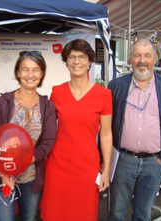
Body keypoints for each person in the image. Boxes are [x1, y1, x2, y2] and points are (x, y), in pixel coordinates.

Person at [108, 38, 161, 221]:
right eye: (137, 55)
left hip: (154, 163)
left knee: (143, 215)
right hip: (122, 161)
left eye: (147, 55)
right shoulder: (116, 86)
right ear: (130, 59)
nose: (142, 60)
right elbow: (107, 126)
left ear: (155, 58)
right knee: (116, 213)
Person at [41, 39, 113, 221]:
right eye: (72, 57)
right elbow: (47, 129)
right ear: (66, 62)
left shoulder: (104, 95)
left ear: (90, 61)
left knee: (84, 214)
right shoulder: (56, 92)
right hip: (58, 165)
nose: (76, 61)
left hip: (87, 167)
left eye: (82, 57)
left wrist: (106, 171)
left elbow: (105, 134)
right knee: (55, 214)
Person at [0, 51, 56, 221]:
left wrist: (26, 160)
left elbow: (48, 141)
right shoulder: (3, 103)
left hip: (31, 178)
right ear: (17, 73)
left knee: (29, 219)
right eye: (25, 69)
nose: (30, 75)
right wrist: (3, 172)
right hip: (2, 176)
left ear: (42, 73)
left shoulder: (48, 106)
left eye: (36, 69)